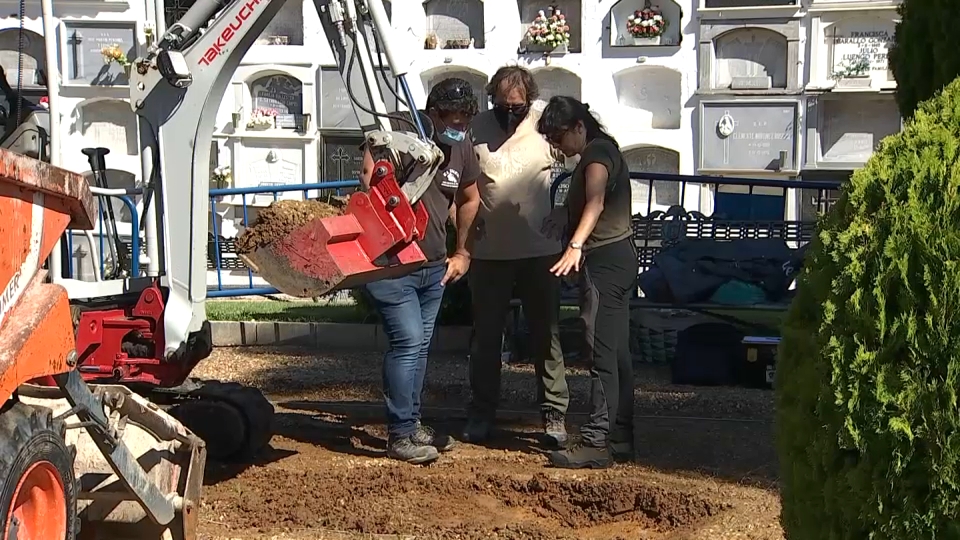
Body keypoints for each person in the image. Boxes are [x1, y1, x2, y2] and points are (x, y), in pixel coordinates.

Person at [359, 78, 482, 464]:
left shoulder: (461, 146)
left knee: (419, 348)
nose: (457, 123)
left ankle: (410, 425)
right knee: (408, 343)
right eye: (450, 115)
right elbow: (369, 177)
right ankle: (400, 435)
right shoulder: (398, 132)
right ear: (432, 113)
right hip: (391, 265)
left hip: (432, 267)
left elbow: (470, 197)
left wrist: (462, 251)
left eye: (464, 116)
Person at [463, 65, 570, 447]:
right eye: (504, 106)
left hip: (539, 252)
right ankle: (481, 412)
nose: (512, 113)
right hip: (489, 254)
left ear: (529, 101)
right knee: (486, 339)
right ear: (491, 99)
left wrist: (566, 210)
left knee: (546, 336)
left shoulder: (544, 123)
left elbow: (586, 157)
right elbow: (460, 178)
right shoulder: (476, 127)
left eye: (518, 106)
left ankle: (554, 414)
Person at [536, 96, 638, 469]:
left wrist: (576, 245)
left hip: (605, 261)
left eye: (560, 138)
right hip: (621, 256)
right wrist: (565, 211)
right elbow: (596, 201)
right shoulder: (600, 152)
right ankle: (621, 436)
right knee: (619, 352)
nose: (559, 148)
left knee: (601, 353)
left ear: (579, 127)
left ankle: (597, 441)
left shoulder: (596, 156)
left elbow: (596, 202)